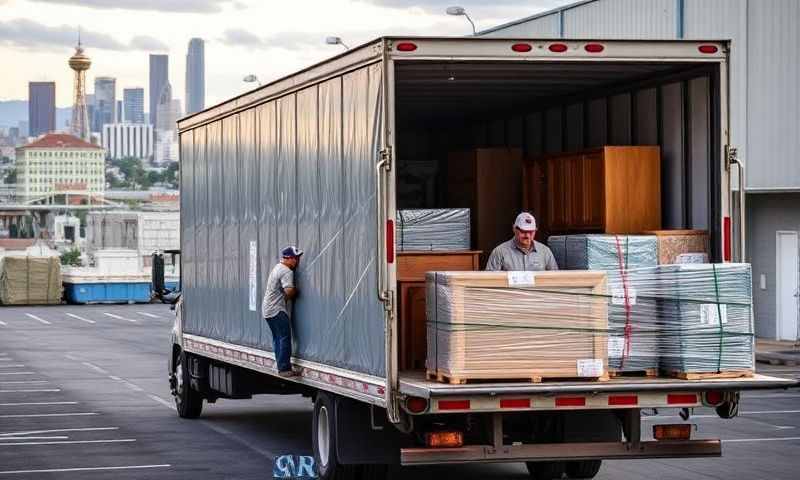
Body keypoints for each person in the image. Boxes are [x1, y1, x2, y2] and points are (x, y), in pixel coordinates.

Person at [262, 245, 303, 377]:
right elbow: (289, 291)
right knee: (285, 337)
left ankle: (280, 365)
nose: (297, 261)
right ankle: (285, 368)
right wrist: (297, 291)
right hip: (276, 309)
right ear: (289, 258)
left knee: (277, 338)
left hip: (267, 309)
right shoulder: (286, 271)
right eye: (295, 258)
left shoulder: (277, 267)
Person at [485, 212, 558, 271]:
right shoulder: (499, 252)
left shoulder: (545, 252)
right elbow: (489, 280)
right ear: (514, 229)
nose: (527, 236)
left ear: (535, 230)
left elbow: (555, 279)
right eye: (523, 231)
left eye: (531, 232)